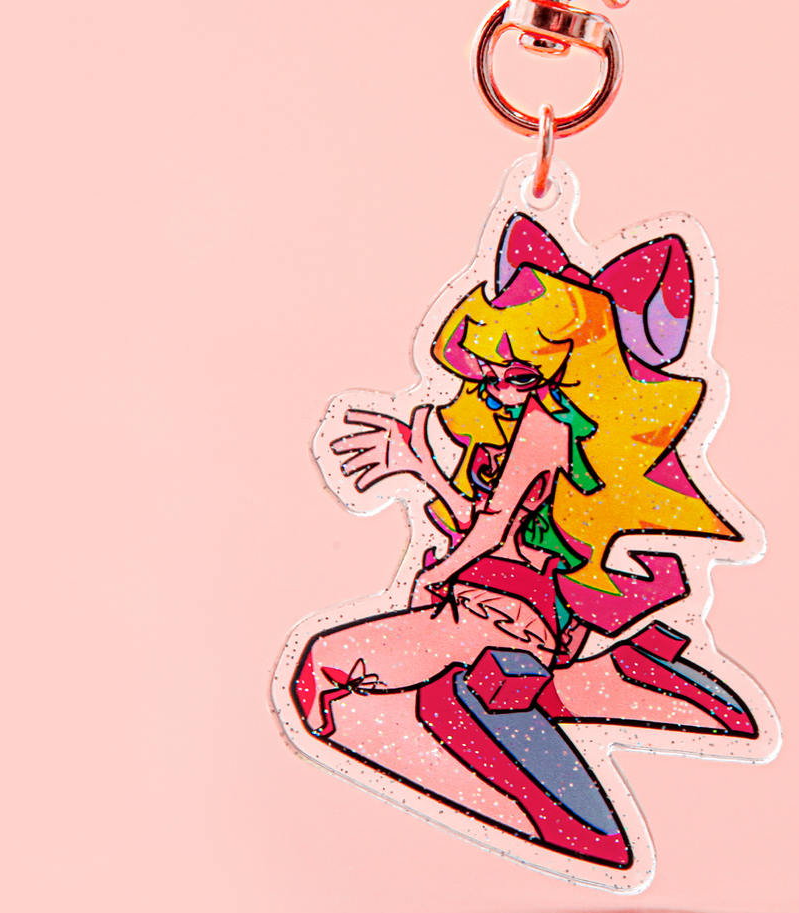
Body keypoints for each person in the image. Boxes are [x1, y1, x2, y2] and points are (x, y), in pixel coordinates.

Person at [291, 214, 760, 867]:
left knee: (326, 674)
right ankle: (608, 678)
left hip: (495, 612)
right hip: (522, 608)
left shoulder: (544, 426)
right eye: (486, 372)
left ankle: (561, 806)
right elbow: (495, 520)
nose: (492, 389)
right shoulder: (554, 434)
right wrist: (420, 468)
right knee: (349, 684)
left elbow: (488, 528)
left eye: (512, 374)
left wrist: (436, 572)